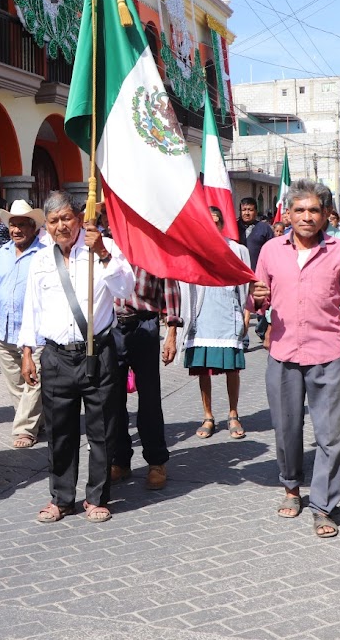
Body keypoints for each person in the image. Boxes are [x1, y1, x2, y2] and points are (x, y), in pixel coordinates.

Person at [248, 180, 340, 539]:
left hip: (328, 353)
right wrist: (256, 298)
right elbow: (257, 302)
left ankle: (323, 506)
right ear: (287, 214)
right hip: (284, 354)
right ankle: (291, 485)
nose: (306, 217)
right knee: (286, 430)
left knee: (329, 436)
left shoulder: (339, 252)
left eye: (314, 211)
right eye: (299, 210)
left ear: (325, 216)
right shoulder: (271, 251)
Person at [19, 190, 135, 524]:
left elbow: (126, 290)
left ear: (79, 218)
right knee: (60, 430)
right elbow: (32, 309)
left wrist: (101, 253)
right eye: (53, 221)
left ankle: (97, 497)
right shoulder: (40, 259)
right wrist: (27, 352)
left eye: (66, 218)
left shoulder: (104, 247)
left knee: (102, 429)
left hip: (97, 353)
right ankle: (61, 498)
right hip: (56, 357)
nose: (60, 226)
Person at [111, 253, 182, 490]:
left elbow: (170, 288)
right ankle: (120, 460)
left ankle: (156, 461)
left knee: (150, 399)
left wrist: (171, 334)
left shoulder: (153, 247)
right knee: (112, 397)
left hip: (145, 323)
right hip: (111, 327)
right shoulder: (107, 247)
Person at [0, 200, 46, 449]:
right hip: (6, 328)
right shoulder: (2, 254)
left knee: (34, 380)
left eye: (21, 225)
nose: (16, 230)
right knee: (16, 383)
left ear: (33, 228)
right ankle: (36, 423)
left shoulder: (43, 255)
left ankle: (24, 429)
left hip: (35, 332)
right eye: (12, 225)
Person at [181, 206, 250, 442]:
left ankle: (233, 414)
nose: (213, 226)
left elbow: (247, 283)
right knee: (204, 371)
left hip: (228, 314)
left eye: (217, 221)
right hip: (202, 317)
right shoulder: (192, 251)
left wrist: (246, 311)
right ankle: (208, 416)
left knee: (232, 368)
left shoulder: (238, 250)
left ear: (222, 224)